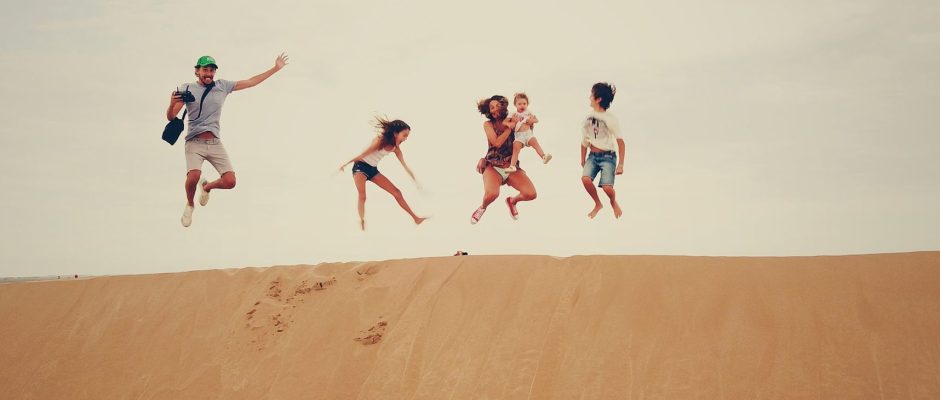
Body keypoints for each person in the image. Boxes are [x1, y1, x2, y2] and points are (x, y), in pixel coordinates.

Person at [166, 53, 289, 227]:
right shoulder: (186, 88)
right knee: (194, 176)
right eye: (205, 70)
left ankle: (206, 187)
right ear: (197, 71)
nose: (208, 73)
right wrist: (172, 103)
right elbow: (171, 117)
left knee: (230, 182)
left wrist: (275, 68)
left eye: (211, 70)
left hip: (215, 142)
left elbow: (250, 82)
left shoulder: (222, 86)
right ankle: (190, 204)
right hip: (194, 142)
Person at [339, 117, 428, 230]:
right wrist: (345, 164)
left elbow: (405, 167)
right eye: (404, 135)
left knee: (397, 193)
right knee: (363, 196)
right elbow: (363, 155)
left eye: (407, 136)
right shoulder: (379, 141)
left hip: (373, 170)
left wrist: (416, 182)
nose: (405, 139)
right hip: (360, 167)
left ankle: (416, 219)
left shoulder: (396, 149)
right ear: (395, 133)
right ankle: (362, 220)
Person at [470, 95, 538, 224]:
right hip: (493, 166)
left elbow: (526, 137)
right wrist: (509, 128)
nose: (495, 109)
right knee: (492, 194)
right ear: (489, 111)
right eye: (492, 107)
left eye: (497, 106)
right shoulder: (488, 124)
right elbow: (496, 143)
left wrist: (529, 122)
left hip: (511, 166)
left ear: (503, 107)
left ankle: (512, 201)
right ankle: (482, 207)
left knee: (531, 194)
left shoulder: (513, 119)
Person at [580, 82, 625, 219]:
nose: (589, 97)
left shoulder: (610, 119)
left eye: (591, 95)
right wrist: (582, 159)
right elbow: (584, 141)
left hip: (608, 157)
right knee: (585, 179)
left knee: (607, 188)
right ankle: (598, 203)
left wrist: (621, 164)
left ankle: (613, 201)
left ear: (598, 99)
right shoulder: (587, 118)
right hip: (592, 156)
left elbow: (621, 142)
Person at [505, 92, 551, 172]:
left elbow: (536, 120)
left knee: (535, 144)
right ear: (515, 105)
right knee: (516, 149)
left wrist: (531, 120)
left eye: (524, 104)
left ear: (527, 104)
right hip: (519, 136)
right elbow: (505, 122)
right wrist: (509, 124)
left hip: (528, 134)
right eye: (519, 104)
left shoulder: (528, 112)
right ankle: (512, 166)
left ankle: (543, 157)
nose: (522, 106)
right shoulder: (513, 114)